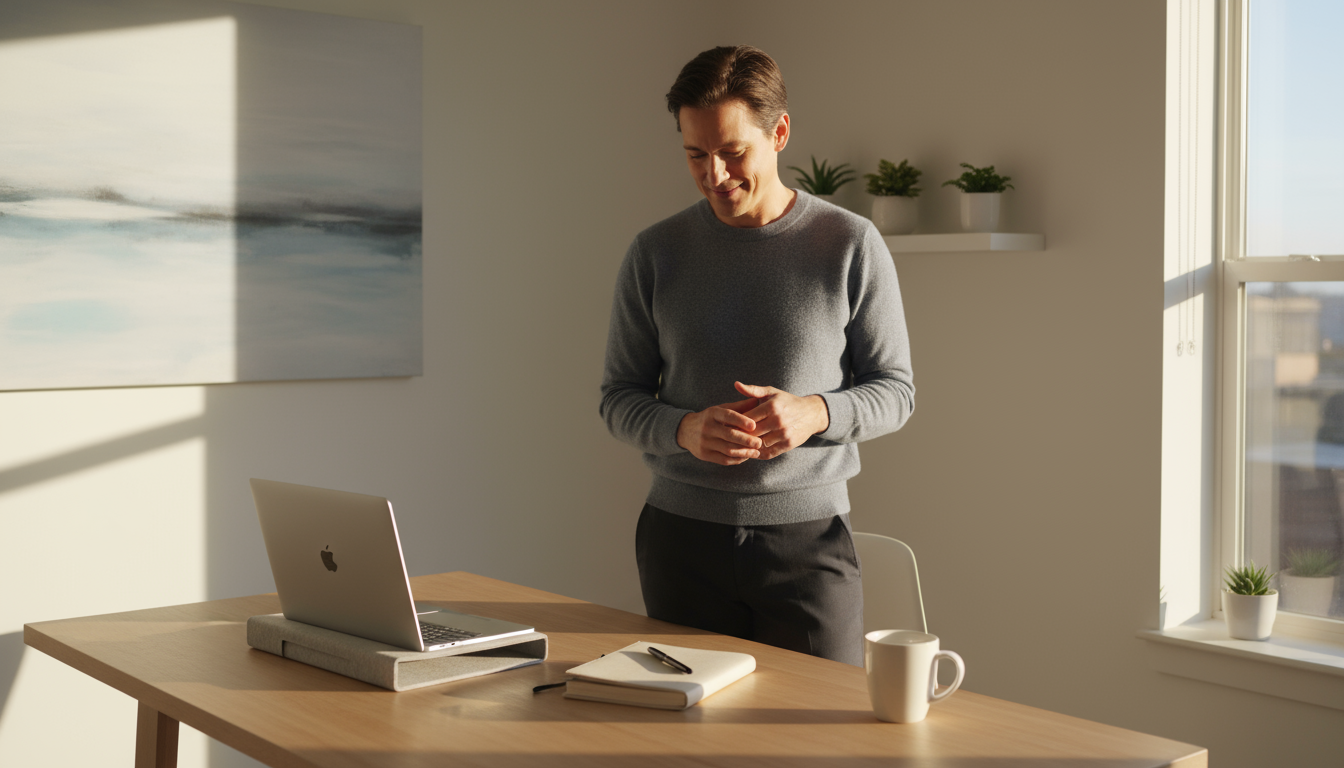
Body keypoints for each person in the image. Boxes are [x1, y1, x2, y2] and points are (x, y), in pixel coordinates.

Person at [599, 45, 915, 666]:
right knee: (687, 743)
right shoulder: (656, 252)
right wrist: (683, 428)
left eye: (732, 152)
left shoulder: (850, 244)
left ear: (780, 133)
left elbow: (896, 392)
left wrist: (814, 414)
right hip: (679, 542)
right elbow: (618, 397)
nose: (714, 174)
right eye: (695, 154)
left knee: (819, 741)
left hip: (809, 546)